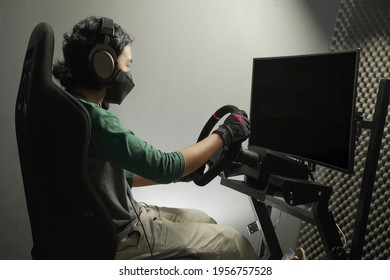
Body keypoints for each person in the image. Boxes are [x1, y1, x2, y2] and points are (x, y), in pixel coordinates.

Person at [53, 16, 258, 260]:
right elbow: (164, 166)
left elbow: (118, 176)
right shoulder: (95, 121)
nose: (128, 76)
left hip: (115, 219)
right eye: (126, 66)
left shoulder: (71, 110)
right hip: (120, 238)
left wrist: (183, 175)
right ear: (102, 66)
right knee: (234, 243)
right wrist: (224, 135)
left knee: (205, 220)